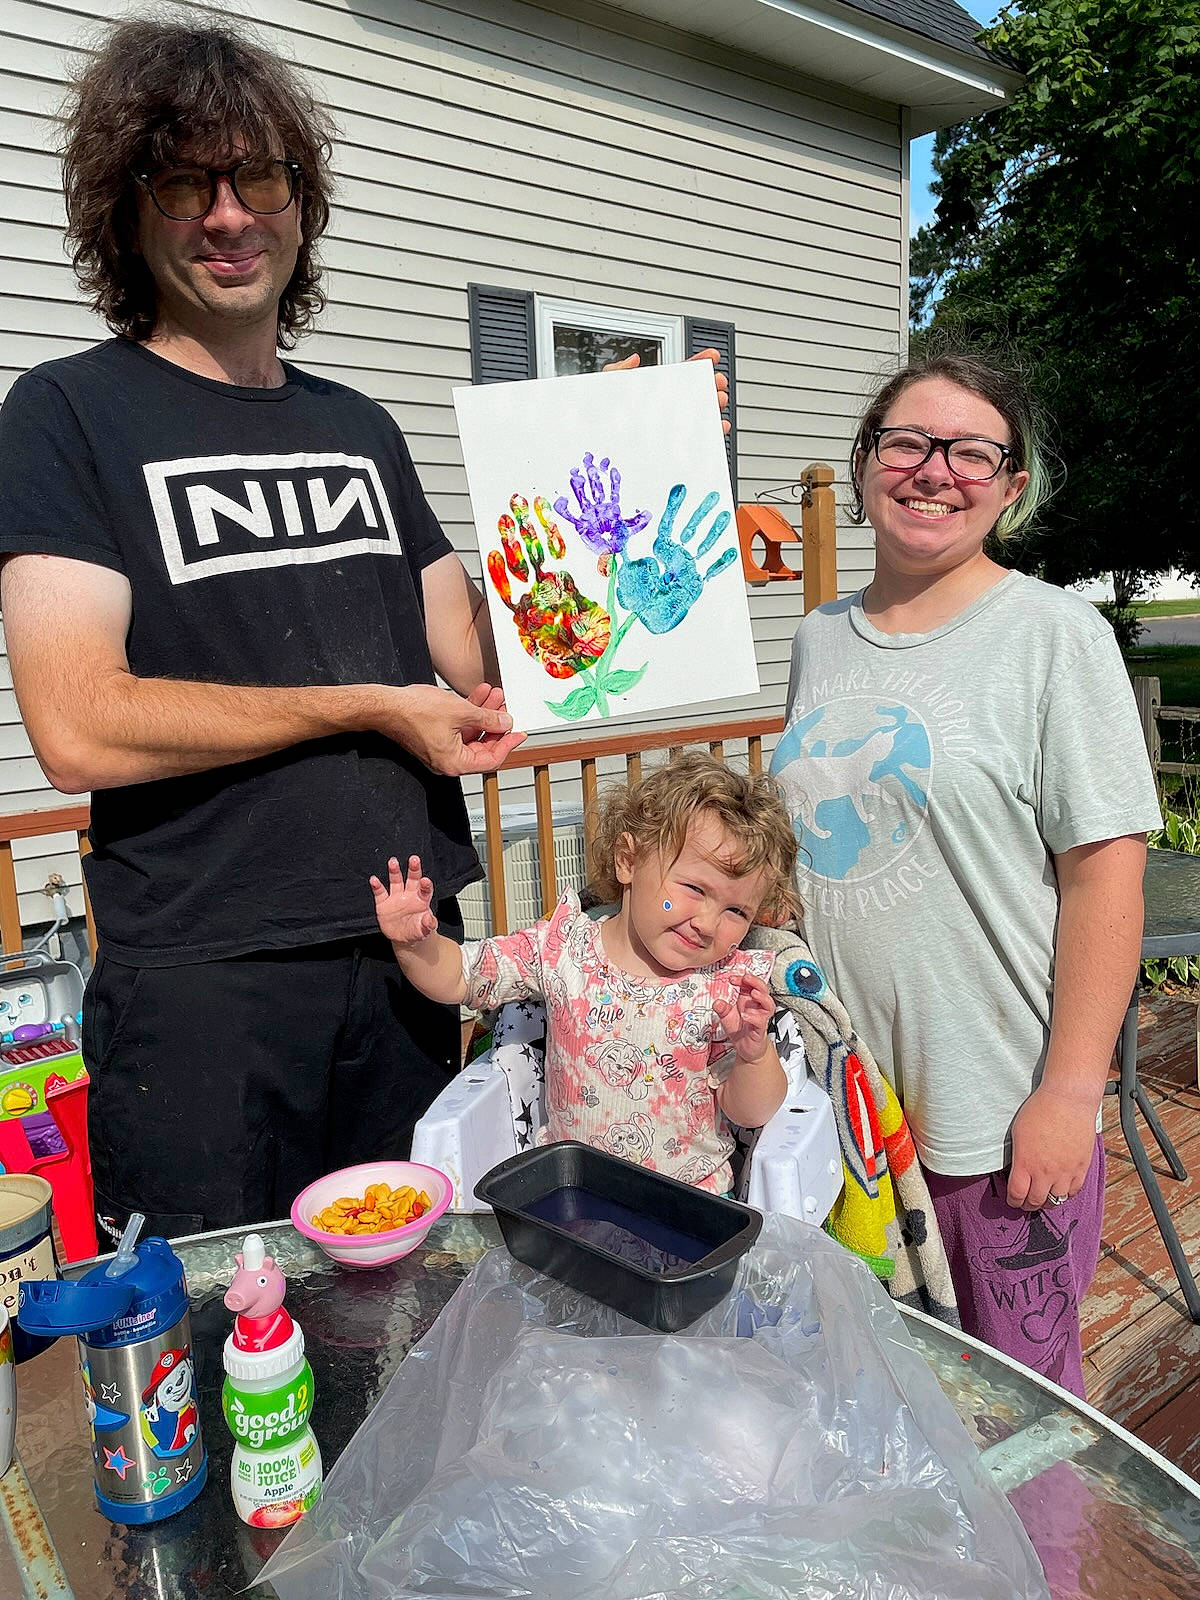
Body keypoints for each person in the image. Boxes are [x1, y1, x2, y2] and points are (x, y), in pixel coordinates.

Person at [0, 18, 536, 1239]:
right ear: (127, 213)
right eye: (187, 182)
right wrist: (364, 702)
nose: (230, 217)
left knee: (408, 1315)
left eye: (263, 179)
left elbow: (471, 653)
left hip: (406, 945)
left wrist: (595, 572)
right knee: (226, 1344)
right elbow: (78, 724)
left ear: (304, 203)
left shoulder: (361, 425)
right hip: (204, 976)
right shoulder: (67, 415)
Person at [769, 345, 1161, 1396]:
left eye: (971, 452)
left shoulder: (1052, 636)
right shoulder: (821, 637)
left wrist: (1073, 1089)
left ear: (1011, 486)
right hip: (848, 1114)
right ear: (865, 465)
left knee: (1018, 1422)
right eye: (907, 442)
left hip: (992, 1116)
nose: (934, 469)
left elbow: (1105, 877)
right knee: (879, 1399)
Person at [371, 753, 798, 1193]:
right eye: (693, 889)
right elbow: (462, 976)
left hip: (688, 1204)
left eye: (736, 910)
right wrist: (415, 944)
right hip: (573, 1197)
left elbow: (751, 1113)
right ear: (627, 860)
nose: (708, 923)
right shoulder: (564, 950)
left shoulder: (728, 988)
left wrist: (754, 1054)